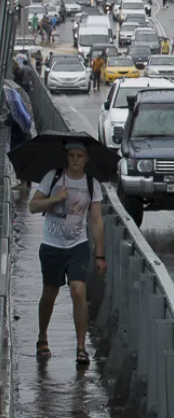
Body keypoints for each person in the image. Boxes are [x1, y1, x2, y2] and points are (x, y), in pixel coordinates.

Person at [28, 142, 107, 365]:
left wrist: (100, 255)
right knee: (50, 293)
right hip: (52, 245)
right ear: (66, 157)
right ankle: (42, 337)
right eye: (71, 155)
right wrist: (54, 198)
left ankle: (81, 348)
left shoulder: (92, 184)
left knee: (78, 290)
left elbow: (96, 219)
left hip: (78, 245)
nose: (75, 160)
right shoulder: (53, 177)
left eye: (79, 156)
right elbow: (33, 206)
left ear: (86, 159)